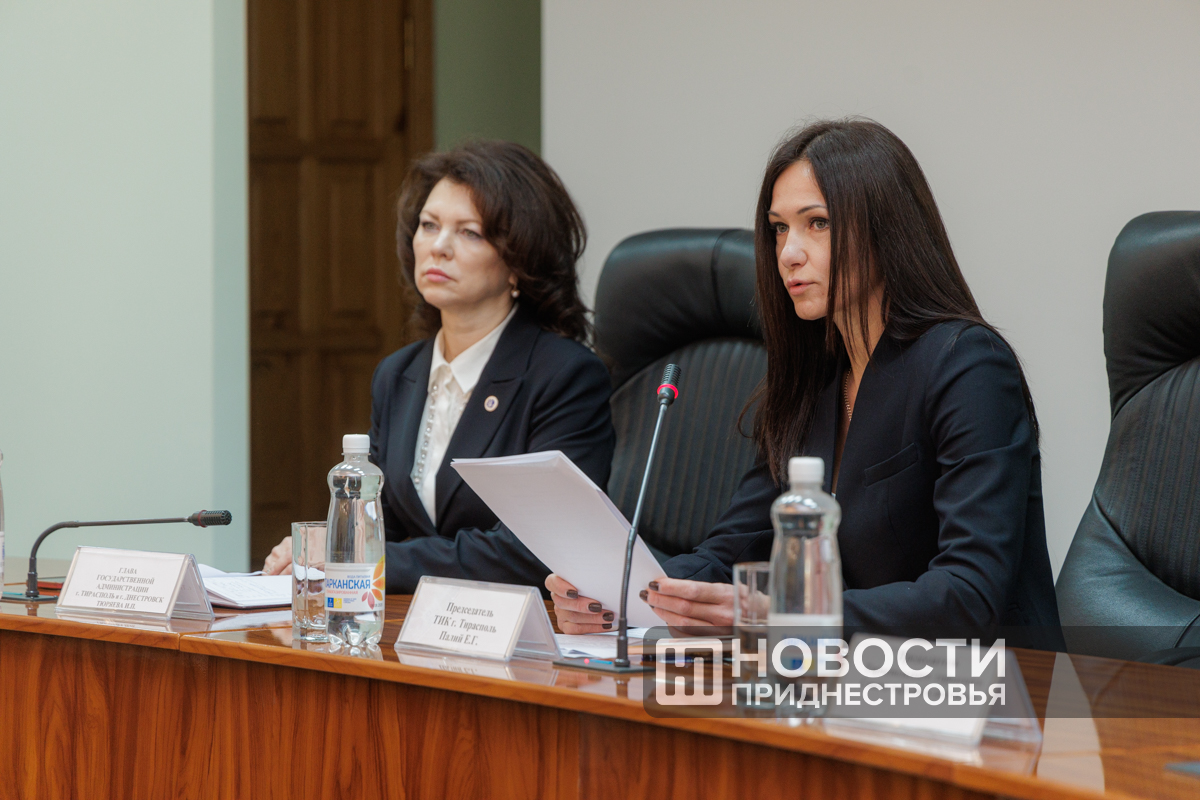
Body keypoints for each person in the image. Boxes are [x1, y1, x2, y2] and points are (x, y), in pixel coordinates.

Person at [548, 119, 1063, 648]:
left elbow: (970, 595)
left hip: (985, 682)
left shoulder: (968, 365)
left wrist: (784, 615)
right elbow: (730, 552)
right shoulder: (811, 378)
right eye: (779, 228)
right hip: (850, 676)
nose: (788, 252)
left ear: (887, 230)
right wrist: (619, 593)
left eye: (817, 223)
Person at [264, 140, 615, 593]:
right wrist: (318, 548)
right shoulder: (397, 375)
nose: (438, 247)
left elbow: (534, 551)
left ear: (519, 261)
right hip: (411, 619)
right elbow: (380, 523)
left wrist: (355, 556)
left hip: (521, 623)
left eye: (469, 232)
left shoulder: (565, 376)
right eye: (429, 225)